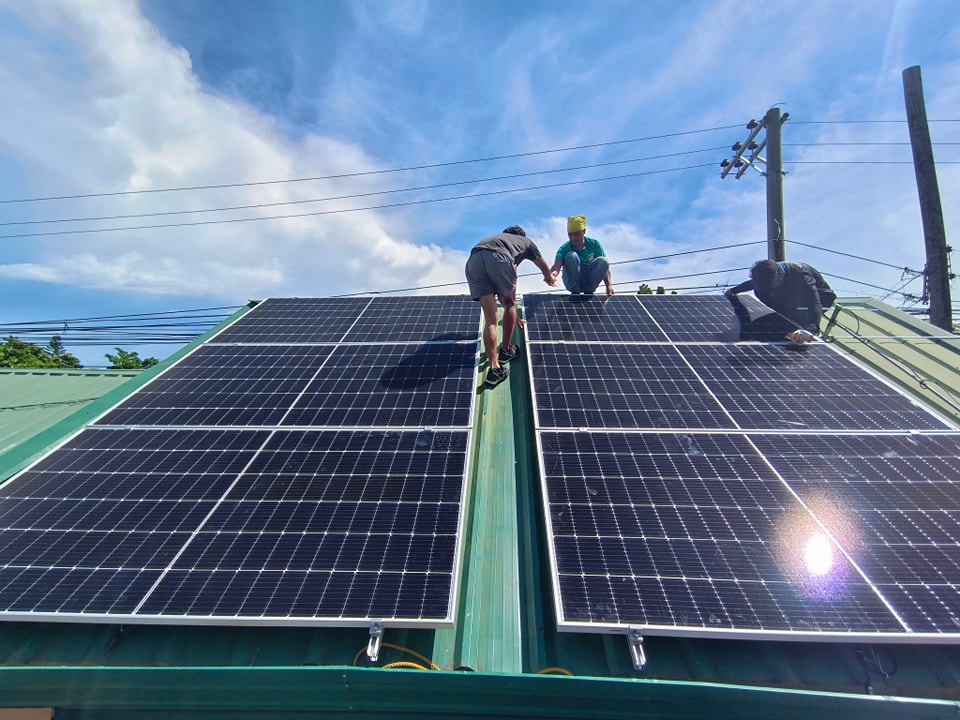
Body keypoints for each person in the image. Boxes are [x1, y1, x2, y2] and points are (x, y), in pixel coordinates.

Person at [465, 226, 556, 387]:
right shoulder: (526, 242)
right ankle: (506, 350)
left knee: (491, 320)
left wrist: (514, 317)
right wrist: (549, 277)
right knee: (510, 304)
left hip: (473, 261)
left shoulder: (497, 239)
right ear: (520, 236)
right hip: (499, 259)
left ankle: (494, 367)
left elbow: (500, 294)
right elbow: (544, 267)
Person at [724, 259, 836, 342]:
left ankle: (798, 323)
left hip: (820, 300)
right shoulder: (767, 275)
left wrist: (812, 328)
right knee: (761, 294)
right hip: (791, 304)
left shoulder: (800, 274)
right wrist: (733, 290)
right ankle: (787, 317)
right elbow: (752, 284)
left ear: (776, 277)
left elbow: (814, 302)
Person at [550, 215, 614, 296]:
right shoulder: (564, 248)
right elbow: (556, 266)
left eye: (576, 234)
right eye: (570, 234)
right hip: (572, 282)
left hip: (589, 280)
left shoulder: (594, 244)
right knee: (571, 256)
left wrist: (609, 286)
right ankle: (575, 290)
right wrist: (552, 275)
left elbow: (605, 268)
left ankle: (589, 290)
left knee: (603, 260)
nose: (573, 238)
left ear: (584, 231)